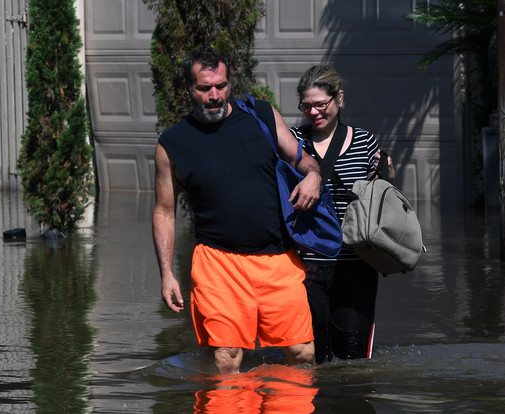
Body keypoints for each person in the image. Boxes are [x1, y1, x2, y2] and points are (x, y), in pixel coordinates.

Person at [152, 46, 320, 374]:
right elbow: (164, 212)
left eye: (222, 86)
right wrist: (167, 273)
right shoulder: (173, 143)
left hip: (277, 259)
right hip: (218, 264)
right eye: (204, 88)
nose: (215, 95)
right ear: (188, 89)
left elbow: (300, 157)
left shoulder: (261, 115)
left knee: (302, 354)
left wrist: (313, 174)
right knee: (227, 360)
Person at [290, 65, 395, 363]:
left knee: (354, 357)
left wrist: (386, 174)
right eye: (306, 106)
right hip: (305, 266)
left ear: (339, 99)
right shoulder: (292, 141)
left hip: (356, 263)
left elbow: (379, 196)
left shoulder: (364, 142)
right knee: (312, 355)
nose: (313, 112)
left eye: (320, 104)